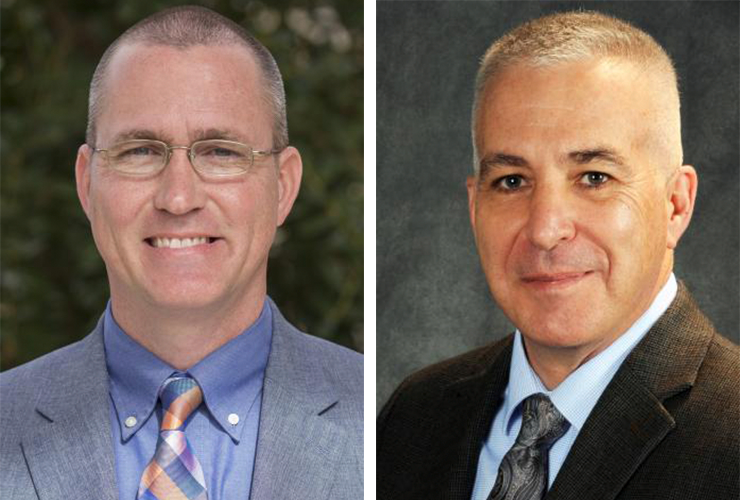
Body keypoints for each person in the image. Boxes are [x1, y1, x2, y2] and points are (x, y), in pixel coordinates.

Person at [0, 6, 362, 500]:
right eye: (140, 152)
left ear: (283, 186)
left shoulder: (382, 419)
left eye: (221, 152)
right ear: (87, 184)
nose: (178, 198)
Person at [377, 11, 739, 500]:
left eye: (594, 177)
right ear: (474, 206)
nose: (546, 230)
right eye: (511, 181)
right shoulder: (413, 417)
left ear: (675, 204)